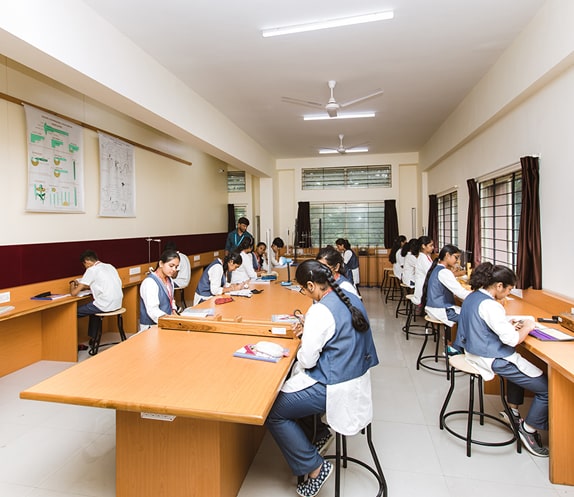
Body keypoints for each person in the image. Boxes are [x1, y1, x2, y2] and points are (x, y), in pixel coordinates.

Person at [266, 260, 379, 497]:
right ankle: (318, 434)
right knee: (292, 391)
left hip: (335, 384)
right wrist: (312, 330)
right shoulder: (349, 295)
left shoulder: (320, 310)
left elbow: (307, 361)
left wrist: (308, 336)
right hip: (356, 377)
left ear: (310, 285)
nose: (304, 295)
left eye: (303, 290)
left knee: (273, 410)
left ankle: (314, 466)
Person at [454, 262, 549, 457]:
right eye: (508, 289)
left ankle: (512, 411)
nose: (508, 293)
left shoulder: (473, 296)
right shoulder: (490, 305)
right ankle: (529, 429)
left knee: (521, 362)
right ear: (498, 286)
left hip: (474, 351)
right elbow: (512, 340)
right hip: (490, 357)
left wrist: (509, 323)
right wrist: (528, 326)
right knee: (547, 389)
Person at [70, 250, 123, 343]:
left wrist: (72, 283)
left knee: (71, 313)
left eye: (84, 265)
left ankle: (72, 343)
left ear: (87, 261)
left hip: (105, 304)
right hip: (117, 303)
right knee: (93, 309)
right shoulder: (109, 266)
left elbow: (74, 293)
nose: (85, 267)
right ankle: (93, 338)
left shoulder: (91, 270)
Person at [422, 244, 471, 327]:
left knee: (468, 314)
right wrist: (477, 294)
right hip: (440, 310)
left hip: (434, 307)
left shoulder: (437, 268)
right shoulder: (444, 272)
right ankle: (459, 340)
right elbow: (461, 293)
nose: (457, 260)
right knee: (472, 317)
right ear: (447, 255)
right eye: (456, 257)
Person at [139, 249, 180, 331]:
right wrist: (170, 321)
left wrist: (175, 312)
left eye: (176, 267)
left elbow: (171, 300)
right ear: (161, 263)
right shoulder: (150, 282)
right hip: (152, 326)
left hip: (167, 321)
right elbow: (153, 311)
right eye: (171, 266)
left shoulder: (169, 280)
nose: (174, 269)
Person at [412, 236, 434, 306]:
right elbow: (431, 273)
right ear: (423, 246)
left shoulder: (426, 256)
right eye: (431, 245)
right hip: (423, 288)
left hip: (425, 285)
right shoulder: (422, 259)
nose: (432, 247)